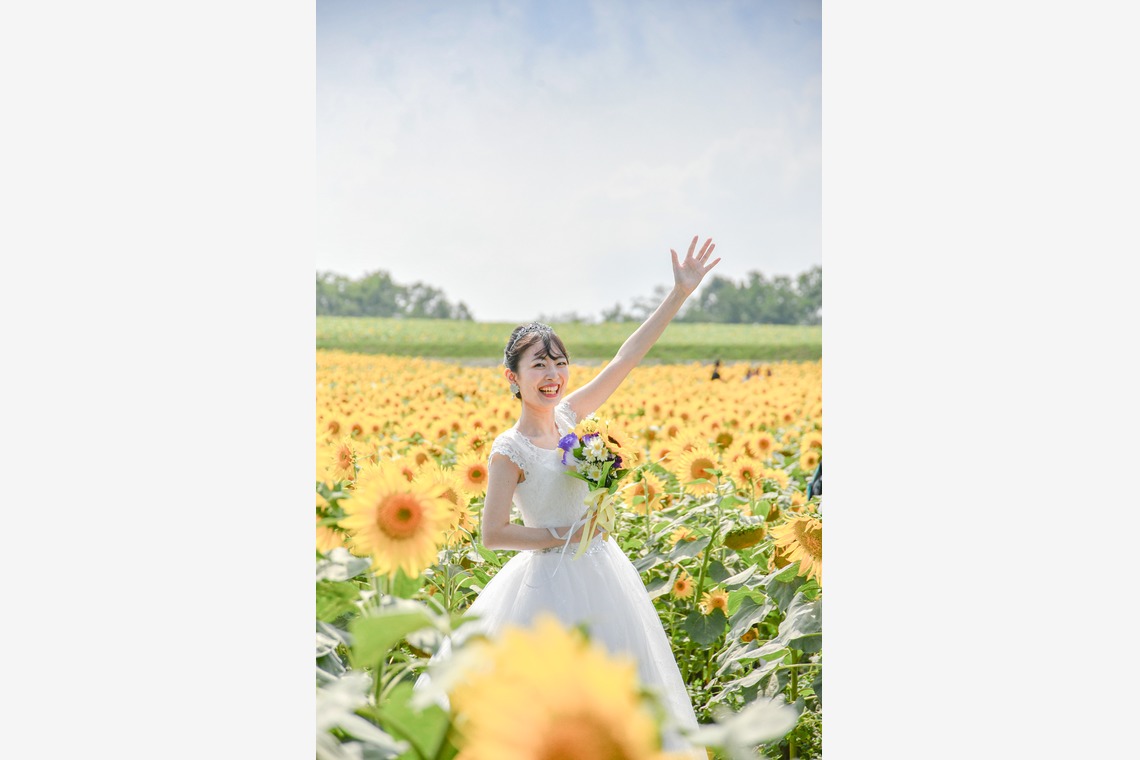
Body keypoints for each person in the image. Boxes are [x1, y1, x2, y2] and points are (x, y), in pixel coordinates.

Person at [416, 236, 720, 758]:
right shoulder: (508, 450)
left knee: (621, 700)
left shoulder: (570, 420)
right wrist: (564, 534)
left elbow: (627, 357)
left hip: (604, 571)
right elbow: (493, 534)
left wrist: (679, 295)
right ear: (513, 378)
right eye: (538, 365)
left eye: (559, 363)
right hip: (546, 581)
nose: (552, 375)